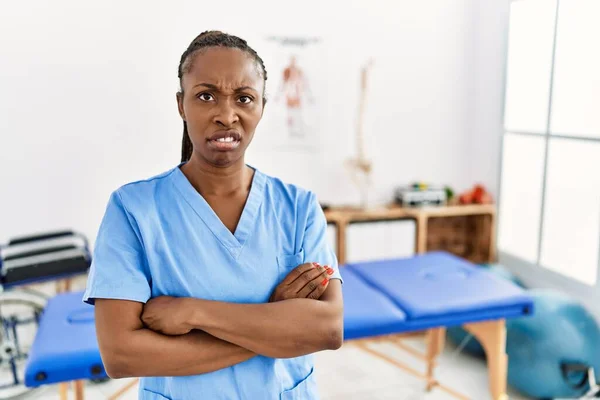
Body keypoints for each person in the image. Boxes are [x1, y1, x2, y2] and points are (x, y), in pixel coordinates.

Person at [82, 30, 344, 400]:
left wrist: (193, 313)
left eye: (244, 98)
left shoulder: (298, 208)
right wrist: (276, 323)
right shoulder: (134, 210)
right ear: (181, 104)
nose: (226, 115)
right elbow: (121, 354)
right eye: (206, 96)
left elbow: (327, 330)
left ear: (262, 108)